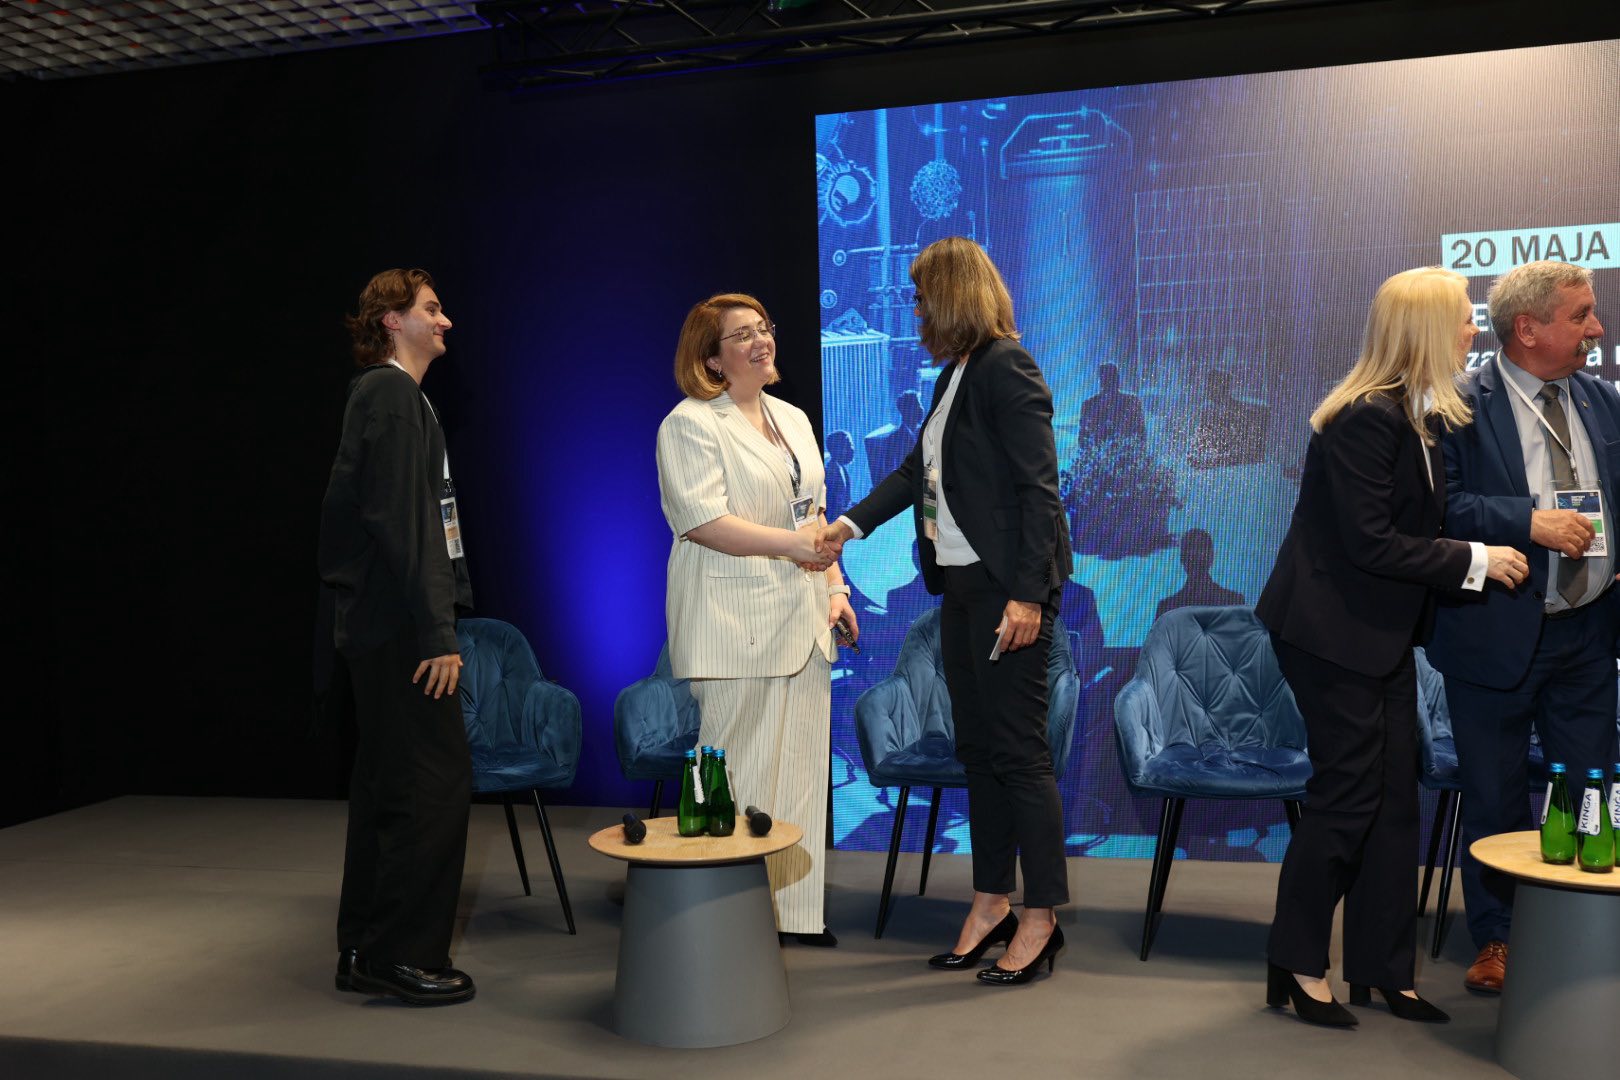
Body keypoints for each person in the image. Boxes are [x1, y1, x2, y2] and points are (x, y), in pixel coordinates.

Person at [1255, 266, 1528, 1027]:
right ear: (1426, 329)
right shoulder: (1364, 419)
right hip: (1329, 636)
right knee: (1346, 799)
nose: (1473, 329)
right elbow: (1371, 543)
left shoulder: (1420, 415)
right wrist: (1476, 559)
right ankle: (1297, 963)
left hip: (1376, 637)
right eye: (1464, 317)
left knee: (1393, 804)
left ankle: (1383, 971)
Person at [819, 236, 1072, 985]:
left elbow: (1040, 492)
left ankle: (1041, 917)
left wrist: (1028, 595)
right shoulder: (954, 375)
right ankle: (991, 901)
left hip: (1005, 593)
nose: (916, 308)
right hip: (960, 590)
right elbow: (915, 472)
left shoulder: (1006, 367)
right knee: (980, 753)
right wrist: (849, 525)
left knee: (1020, 755)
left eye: (922, 295)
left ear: (953, 294)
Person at [1424, 260, 1616, 995]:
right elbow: (1439, 509)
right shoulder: (1457, 406)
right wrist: (1529, 520)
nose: (1597, 328)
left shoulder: (1602, 399)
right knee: (1496, 797)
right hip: (1492, 635)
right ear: (1528, 328)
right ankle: (1498, 938)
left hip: (1588, 633)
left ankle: (1589, 929)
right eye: (1581, 315)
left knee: (1592, 790)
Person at [656, 293, 856, 946]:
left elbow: (812, 514)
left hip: (804, 620)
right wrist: (794, 547)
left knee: (800, 773)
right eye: (742, 334)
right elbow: (703, 521)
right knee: (734, 773)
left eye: (764, 327)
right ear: (712, 359)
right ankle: (725, 922)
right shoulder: (689, 424)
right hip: (731, 624)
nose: (761, 340)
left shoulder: (791, 418)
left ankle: (793, 914)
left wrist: (834, 587)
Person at [318, 269, 476, 1006]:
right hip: (403, 631)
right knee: (431, 788)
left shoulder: (395, 398)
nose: (445, 321)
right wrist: (437, 632)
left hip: (385, 628)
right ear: (391, 320)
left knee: (387, 787)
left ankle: (365, 950)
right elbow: (405, 526)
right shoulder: (390, 394)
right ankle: (405, 956)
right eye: (431, 309)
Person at [1154, 528, 1244, 619]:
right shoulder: (1234, 602)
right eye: (1192, 554)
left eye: (1199, 553)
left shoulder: (1167, 608)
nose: (1196, 559)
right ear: (1211, 557)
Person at [1076, 362, 1146, 446]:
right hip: (1117, 450)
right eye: (1107, 380)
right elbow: (1140, 436)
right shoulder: (1132, 402)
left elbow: (1140, 435)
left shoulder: (1089, 405)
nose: (1109, 383)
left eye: (1110, 379)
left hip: (1115, 451)